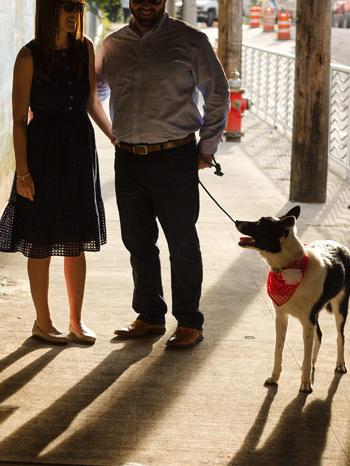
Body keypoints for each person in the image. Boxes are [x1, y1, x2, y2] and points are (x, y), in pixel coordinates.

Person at [96, 0, 229, 348]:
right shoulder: (112, 45)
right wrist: (113, 133)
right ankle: (150, 316)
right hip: (127, 159)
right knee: (138, 242)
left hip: (174, 159)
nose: (146, 4)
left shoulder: (191, 41)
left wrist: (207, 148)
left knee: (182, 244)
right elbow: (94, 92)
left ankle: (189, 322)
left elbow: (217, 95)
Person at [0, 0, 116, 345]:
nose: (74, 12)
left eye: (78, 5)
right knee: (41, 239)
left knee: (76, 238)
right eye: (67, 5)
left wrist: (115, 137)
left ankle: (76, 320)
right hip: (43, 151)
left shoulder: (84, 48)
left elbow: (92, 102)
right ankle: (42, 321)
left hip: (78, 149)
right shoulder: (29, 56)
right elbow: (18, 120)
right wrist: (22, 172)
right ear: (49, 9)